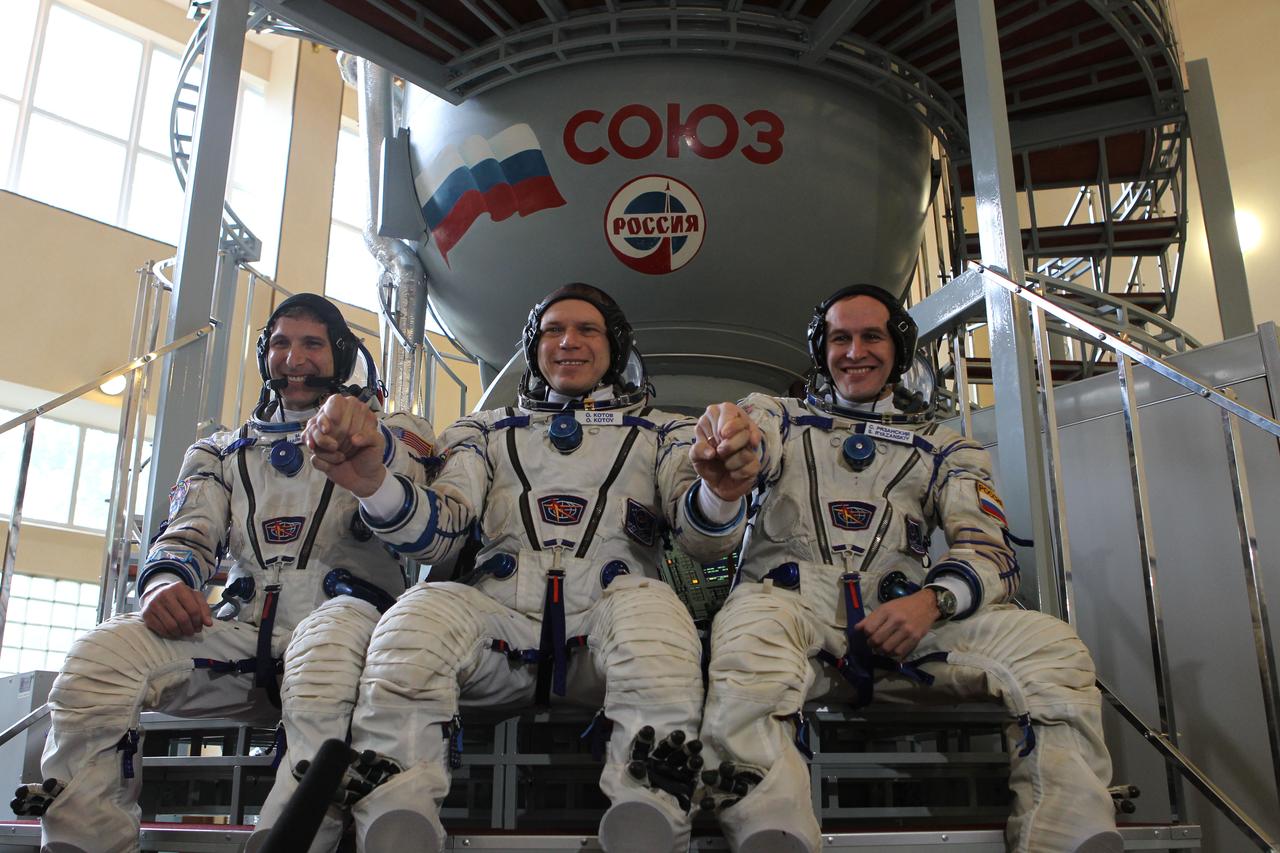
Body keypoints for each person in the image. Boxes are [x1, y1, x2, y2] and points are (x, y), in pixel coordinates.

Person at [302, 283, 757, 853]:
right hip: (499, 624)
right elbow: (442, 533)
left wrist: (720, 493)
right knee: (416, 617)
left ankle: (650, 814)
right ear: (533, 348)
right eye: (552, 331)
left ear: (615, 347)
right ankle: (397, 816)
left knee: (654, 614)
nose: (568, 342)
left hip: (607, 629)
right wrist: (373, 486)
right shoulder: (483, 431)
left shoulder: (665, 432)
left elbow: (701, 538)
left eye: (587, 330)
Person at [696, 284, 1121, 853]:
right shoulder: (781, 416)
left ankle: (1065, 832)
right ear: (821, 349)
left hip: (902, 626)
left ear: (897, 348)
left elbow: (990, 553)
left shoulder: (948, 447)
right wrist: (735, 442)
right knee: (748, 638)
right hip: (792, 620)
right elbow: (753, 432)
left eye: (871, 336)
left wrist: (932, 602)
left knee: (1052, 647)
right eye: (839, 338)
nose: (854, 352)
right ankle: (772, 832)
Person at [16, 294, 439, 853]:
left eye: (312, 344)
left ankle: (287, 838)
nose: (295, 358)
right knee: (100, 656)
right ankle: (84, 835)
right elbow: (189, 533)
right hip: (246, 638)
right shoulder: (219, 452)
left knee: (324, 653)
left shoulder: (396, 433)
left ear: (340, 353)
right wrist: (166, 584)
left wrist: (368, 440)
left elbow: (423, 525)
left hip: (352, 638)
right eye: (282, 344)